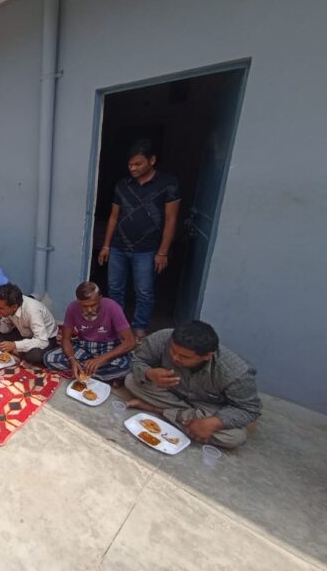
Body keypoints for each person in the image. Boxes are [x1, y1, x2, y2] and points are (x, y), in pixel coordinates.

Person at [125, 320, 261, 449]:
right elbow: (137, 360)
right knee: (131, 381)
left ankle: (156, 410)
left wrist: (213, 423)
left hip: (207, 406)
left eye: (184, 357)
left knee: (234, 437)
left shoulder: (236, 371)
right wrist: (149, 373)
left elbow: (249, 409)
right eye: (173, 351)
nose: (175, 358)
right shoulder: (164, 338)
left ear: (207, 356)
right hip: (172, 392)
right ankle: (186, 419)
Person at [98, 139, 181, 341]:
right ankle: (117, 325)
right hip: (118, 246)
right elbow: (114, 217)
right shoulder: (123, 185)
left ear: (152, 160)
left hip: (147, 249)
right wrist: (106, 246)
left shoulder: (168, 184)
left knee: (144, 291)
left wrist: (162, 252)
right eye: (130, 164)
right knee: (115, 289)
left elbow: (171, 220)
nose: (133, 168)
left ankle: (140, 327)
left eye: (138, 164)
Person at [44, 282, 135, 384]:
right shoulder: (72, 308)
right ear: (78, 302)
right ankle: (98, 374)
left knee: (126, 366)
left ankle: (83, 371)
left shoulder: (112, 307)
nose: (89, 310)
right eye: (84, 306)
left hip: (108, 347)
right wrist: (72, 360)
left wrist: (101, 359)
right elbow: (66, 339)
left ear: (100, 298)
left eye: (93, 305)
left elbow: (130, 342)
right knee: (49, 358)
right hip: (84, 346)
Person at [0, 283, 59, 366]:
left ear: (14, 307)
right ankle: (16, 352)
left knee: (34, 355)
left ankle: (15, 351)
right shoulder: (8, 307)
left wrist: (15, 345)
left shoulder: (32, 310)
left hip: (46, 339)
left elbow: (42, 341)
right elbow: (6, 330)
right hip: (23, 334)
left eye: (0, 308)